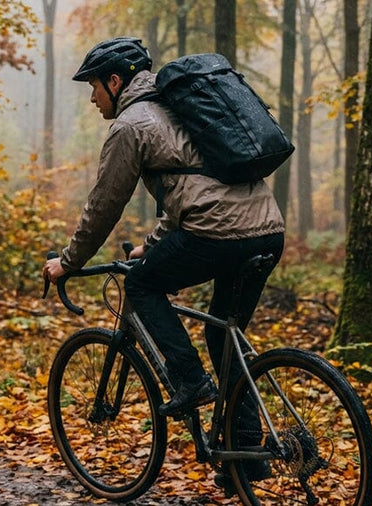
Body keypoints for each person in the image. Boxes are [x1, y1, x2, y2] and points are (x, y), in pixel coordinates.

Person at [42, 37, 285, 490]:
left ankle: (190, 382)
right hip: (268, 229)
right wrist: (151, 247)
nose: (92, 99)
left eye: (93, 87)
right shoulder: (183, 107)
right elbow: (192, 191)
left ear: (115, 81)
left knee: (141, 286)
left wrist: (68, 262)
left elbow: (103, 206)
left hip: (215, 233)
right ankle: (247, 458)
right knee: (223, 335)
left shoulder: (131, 125)